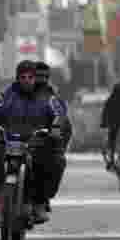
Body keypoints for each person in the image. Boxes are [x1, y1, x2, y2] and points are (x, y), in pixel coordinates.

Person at [0, 61, 59, 224]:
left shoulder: (46, 96)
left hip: (36, 142)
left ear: (35, 79)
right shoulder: (7, 94)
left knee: (48, 162)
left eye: (30, 77)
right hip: (9, 141)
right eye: (23, 77)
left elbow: (58, 113)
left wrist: (55, 126)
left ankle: (39, 203)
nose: (27, 80)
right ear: (17, 78)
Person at [33, 61, 73, 210]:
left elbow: (63, 121)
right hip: (16, 143)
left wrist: (57, 136)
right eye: (37, 76)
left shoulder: (53, 99)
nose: (40, 79)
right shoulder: (15, 94)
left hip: (42, 144)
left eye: (44, 76)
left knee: (56, 161)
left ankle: (42, 199)